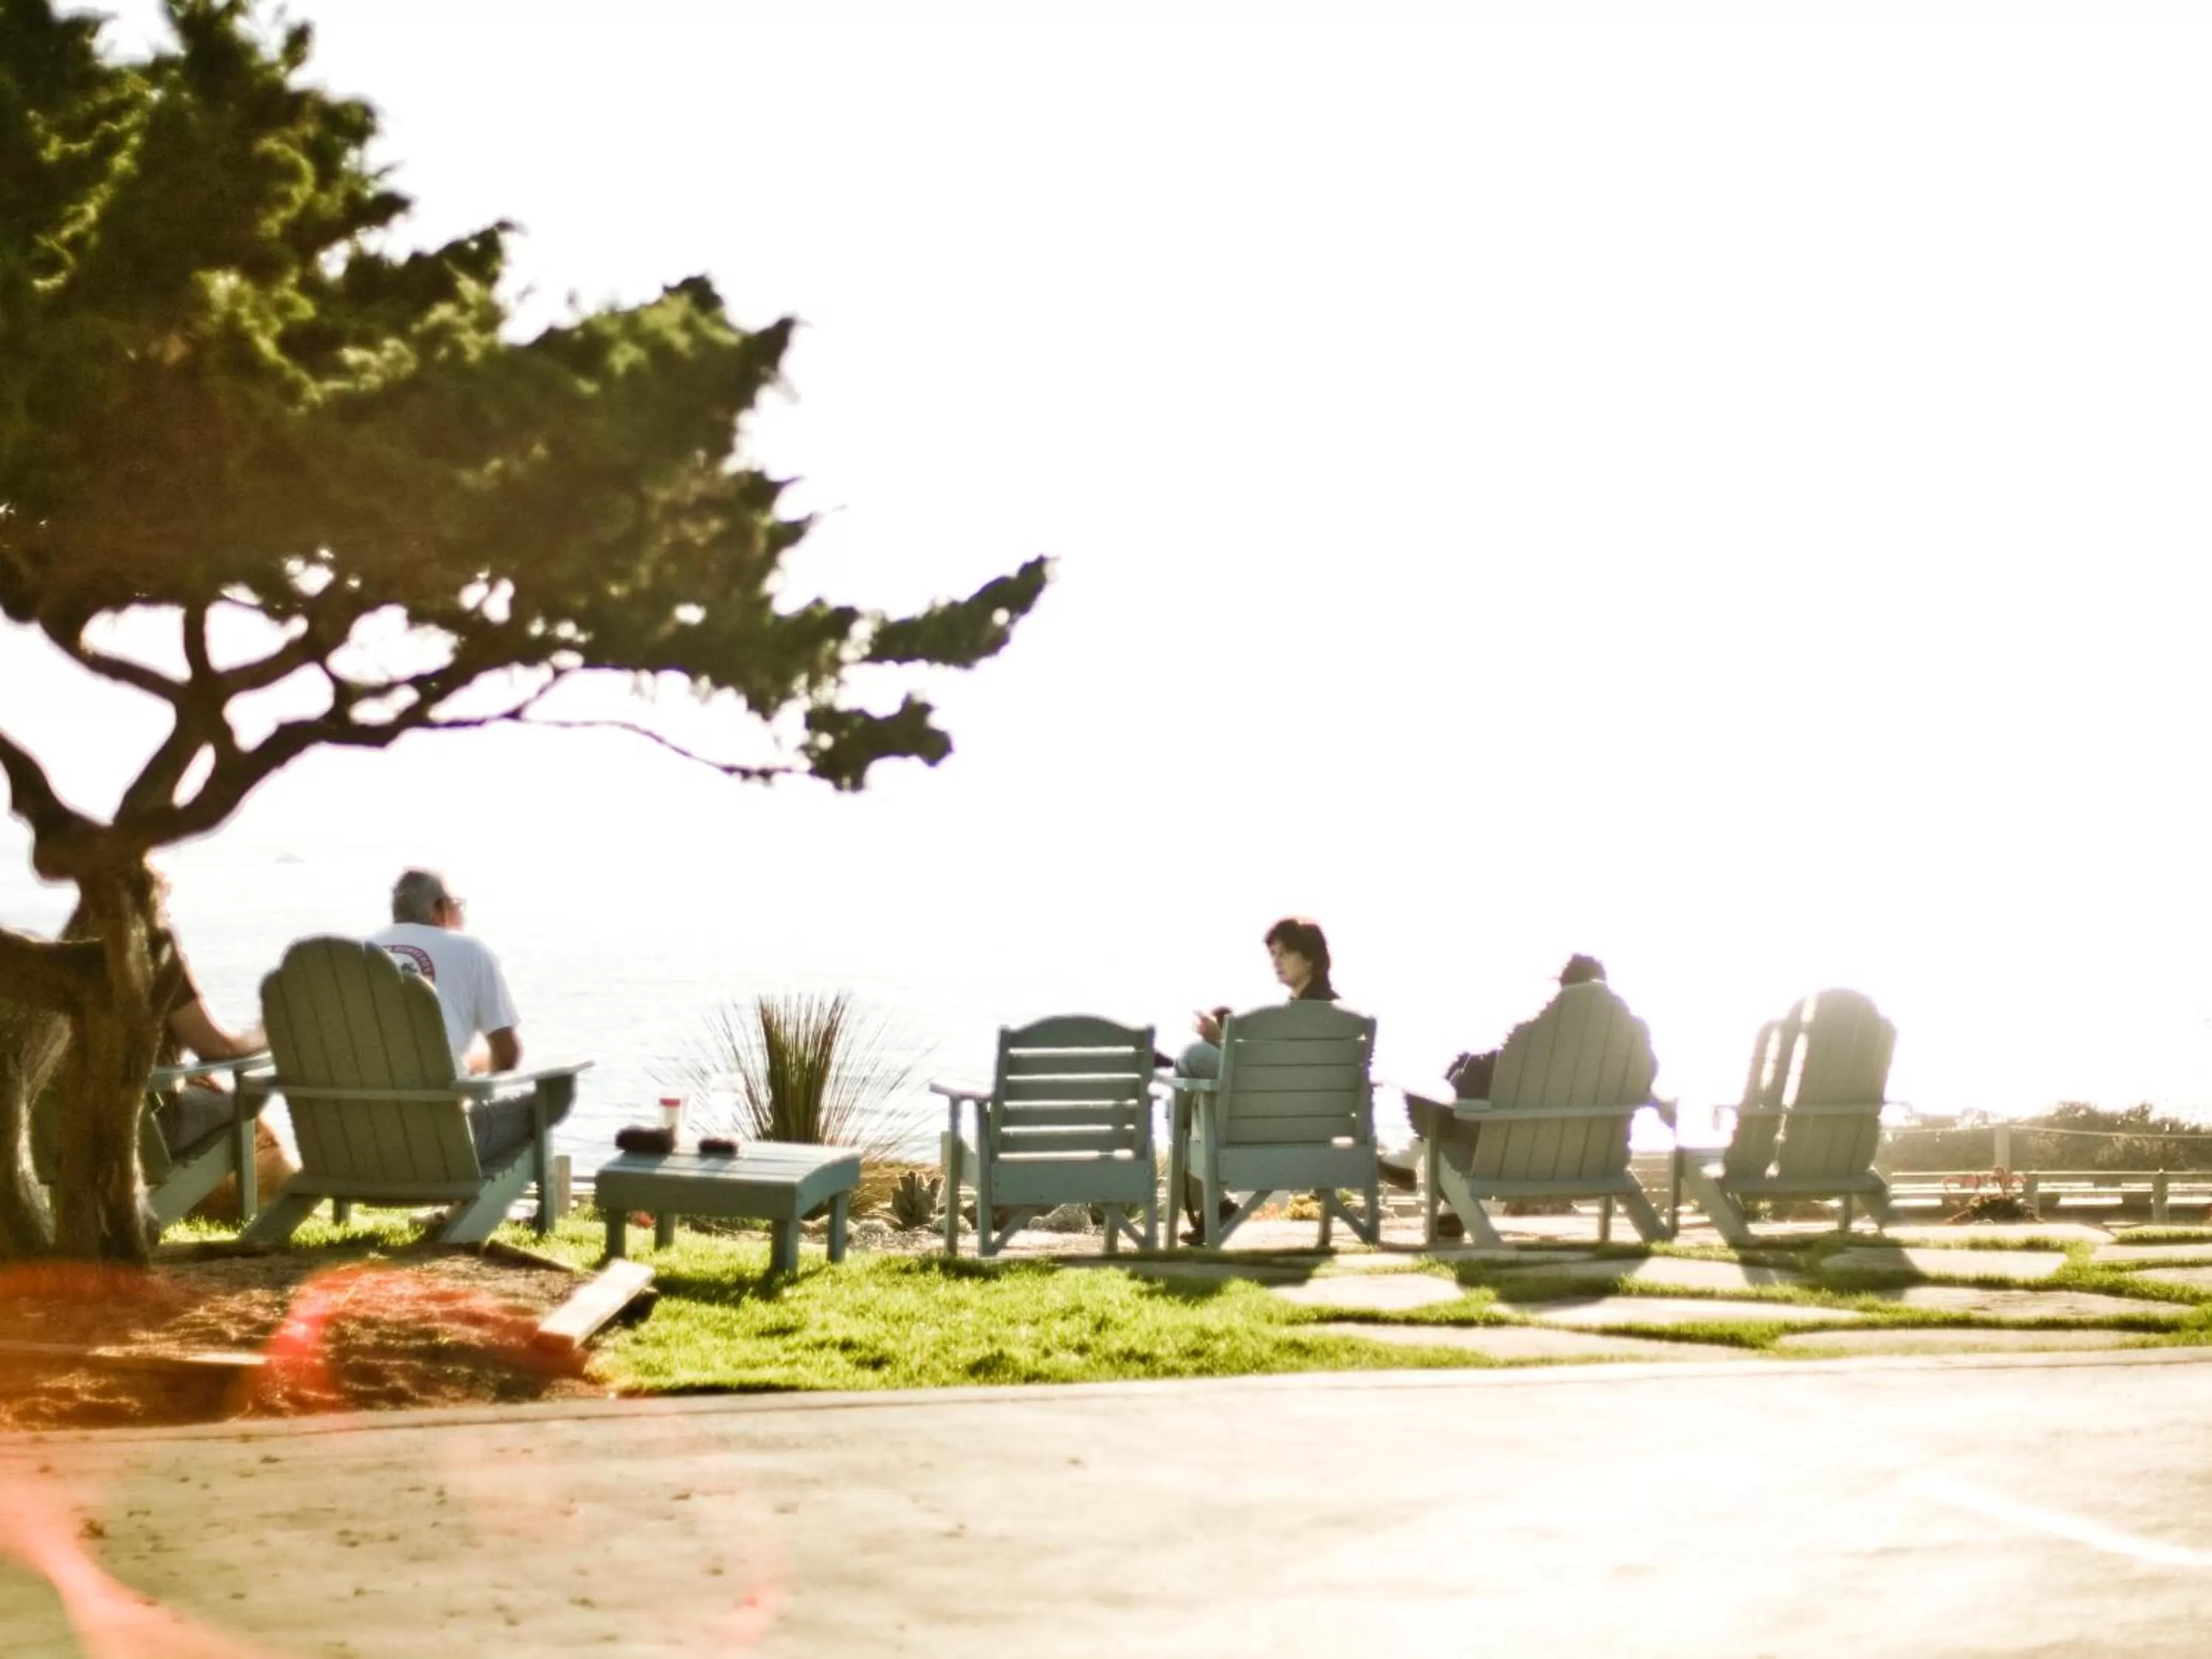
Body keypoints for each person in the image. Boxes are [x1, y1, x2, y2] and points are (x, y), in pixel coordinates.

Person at [1379, 953, 1613, 1235]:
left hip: (1520, 1163)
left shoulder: (1534, 1040)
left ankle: (1412, 1157)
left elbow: (1463, 1096)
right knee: (1461, 1090)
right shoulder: (1624, 1046)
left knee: (1439, 1103)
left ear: (1562, 991)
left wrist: (1463, 1069)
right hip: (1585, 1160)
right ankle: (1444, 1201)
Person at [1172, 917, 1341, 1238]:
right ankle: (1205, 1186)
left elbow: (1270, 1074)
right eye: (1273, 954)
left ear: (1311, 957)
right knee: (1195, 1078)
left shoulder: (1294, 1017)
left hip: (1274, 1128)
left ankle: (1194, 1173)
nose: (1276, 961)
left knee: (1193, 1059)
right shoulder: (1343, 1017)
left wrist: (1219, 1039)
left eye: (1285, 953)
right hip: (1319, 1131)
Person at [369, 869, 523, 1075]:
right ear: (439, 908)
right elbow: (507, 1057)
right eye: (457, 904)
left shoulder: (357, 950)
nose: (461, 912)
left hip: (352, 1102)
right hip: (442, 1103)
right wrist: (468, 1066)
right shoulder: (470, 951)